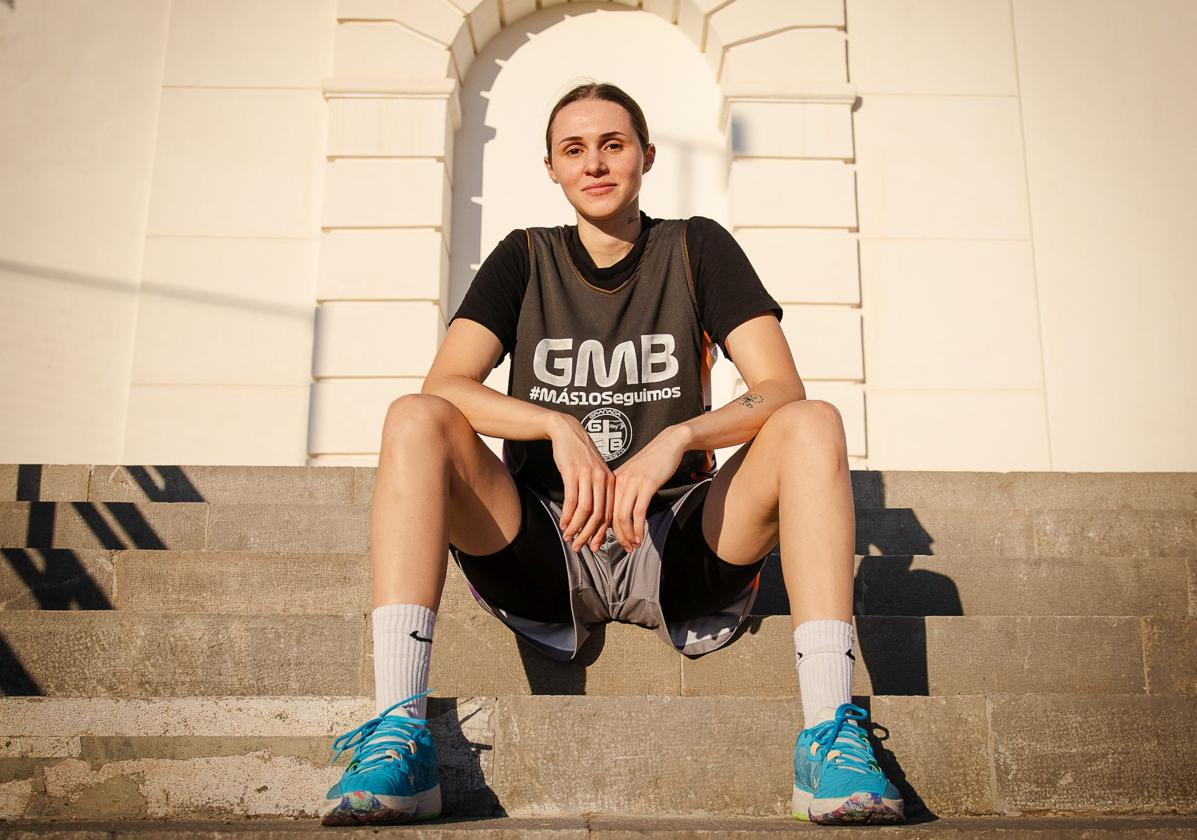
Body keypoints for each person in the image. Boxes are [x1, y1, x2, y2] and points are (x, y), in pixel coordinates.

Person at [319, 81, 904, 827]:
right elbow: (447, 386)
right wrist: (553, 426)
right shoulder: (524, 257)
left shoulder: (695, 247)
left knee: (813, 421)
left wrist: (679, 438)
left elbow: (778, 388)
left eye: (612, 144)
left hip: (676, 541)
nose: (594, 163)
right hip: (542, 544)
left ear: (645, 157)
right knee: (414, 418)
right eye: (574, 149)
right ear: (552, 169)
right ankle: (400, 732)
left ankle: (829, 734)